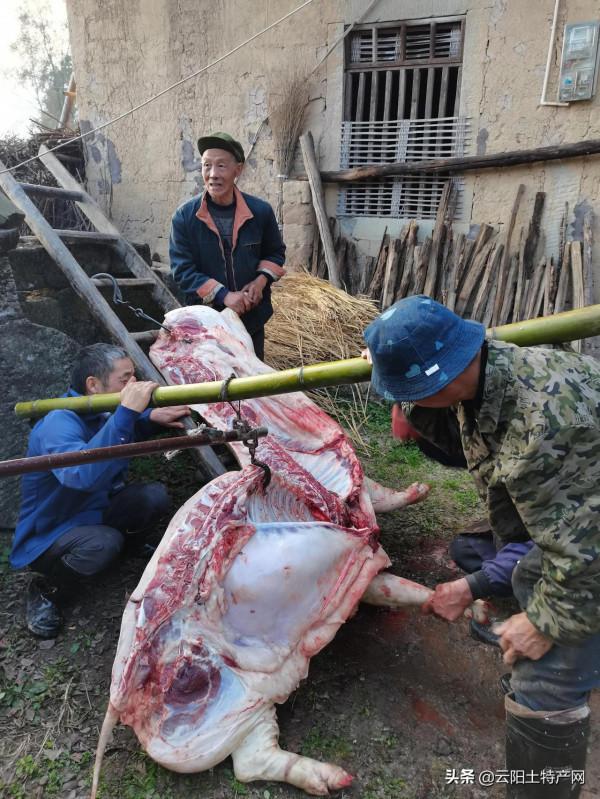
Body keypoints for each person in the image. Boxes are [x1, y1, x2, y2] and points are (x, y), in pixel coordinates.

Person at [364, 295, 599, 798]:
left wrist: (542, 623)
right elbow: (460, 437)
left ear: (439, 381)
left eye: (408, 391)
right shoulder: (487, 369)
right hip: (574, 521)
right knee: (515, 575)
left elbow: (586, 552)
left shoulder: (546, 426)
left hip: (588, 541)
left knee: (544, 684)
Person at [10, 344, 191, 639]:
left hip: (95, 510)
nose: (133, 385)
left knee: (152, 497)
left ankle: (124, 550)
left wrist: (146, 420)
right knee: (104, 542)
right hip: (54, 530)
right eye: (126, 378)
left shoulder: (101, 410)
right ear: (93, 385)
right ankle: (49, 591)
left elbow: (110, 433)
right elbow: (82, 475)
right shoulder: (58, 421)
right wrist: (127, 413)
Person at [169, 131, 286, 361]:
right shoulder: (184, 217)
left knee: (251, 381)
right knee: (211, 382)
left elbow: (275, 253)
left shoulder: (260, 212)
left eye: (221, 166)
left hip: (251, 319)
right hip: (206, 323)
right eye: (206, 166)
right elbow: (182, 271)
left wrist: (260, 282)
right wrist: (224, 295)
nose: (213, 174)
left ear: (238, 170)